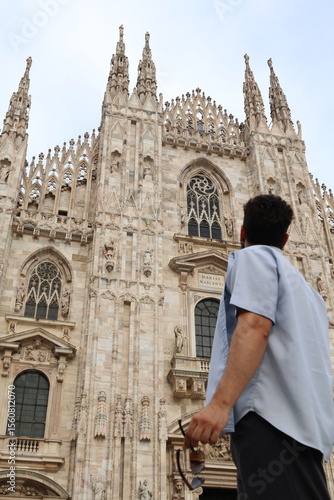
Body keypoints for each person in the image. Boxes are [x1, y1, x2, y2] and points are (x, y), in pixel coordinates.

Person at [184, 194, 334, 499]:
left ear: (241, 233)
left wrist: (220, 405)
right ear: (286, 239)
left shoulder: (255, 257)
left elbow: (254, 326)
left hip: (270, 424)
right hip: (305, 433)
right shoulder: (310, 294)